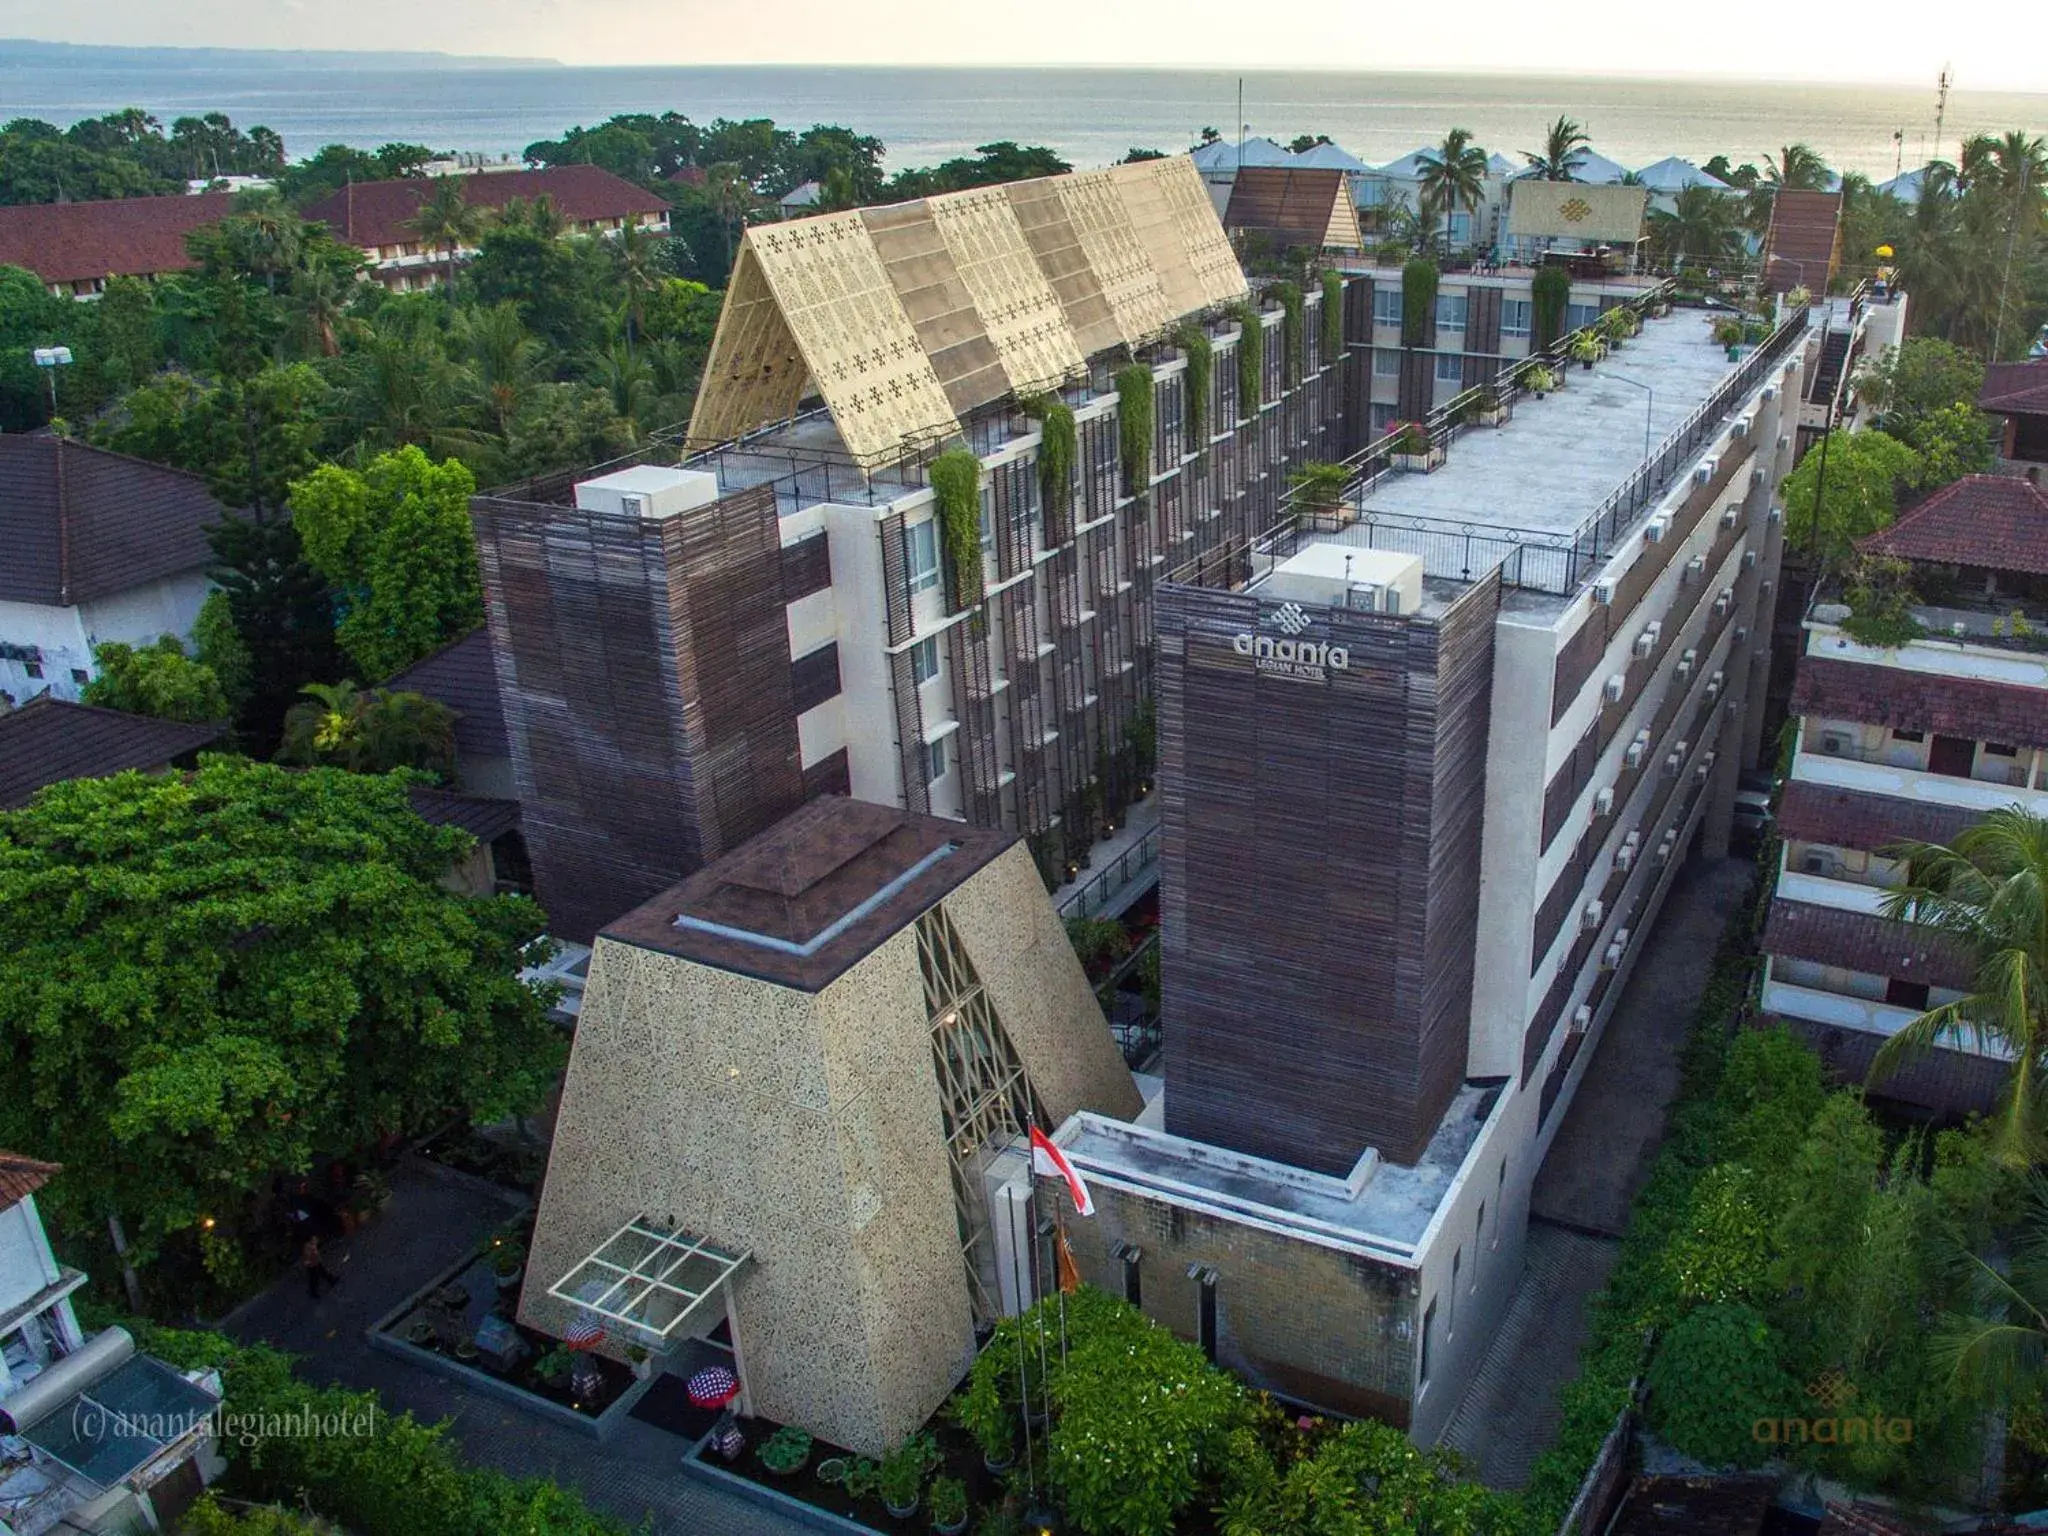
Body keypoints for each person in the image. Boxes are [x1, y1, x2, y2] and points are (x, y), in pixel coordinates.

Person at [302, 1233, 341, 1300]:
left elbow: (317, 1243)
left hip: (316, 1263)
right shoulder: (307, 1247)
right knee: (314, 1279)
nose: (314, 1239)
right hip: (312, 1266)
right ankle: (313, 1292)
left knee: (324, 1272)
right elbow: (307, 1256)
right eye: (312, 1238)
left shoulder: (311, 1243)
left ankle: (332, 1280)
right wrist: (308, 1262)